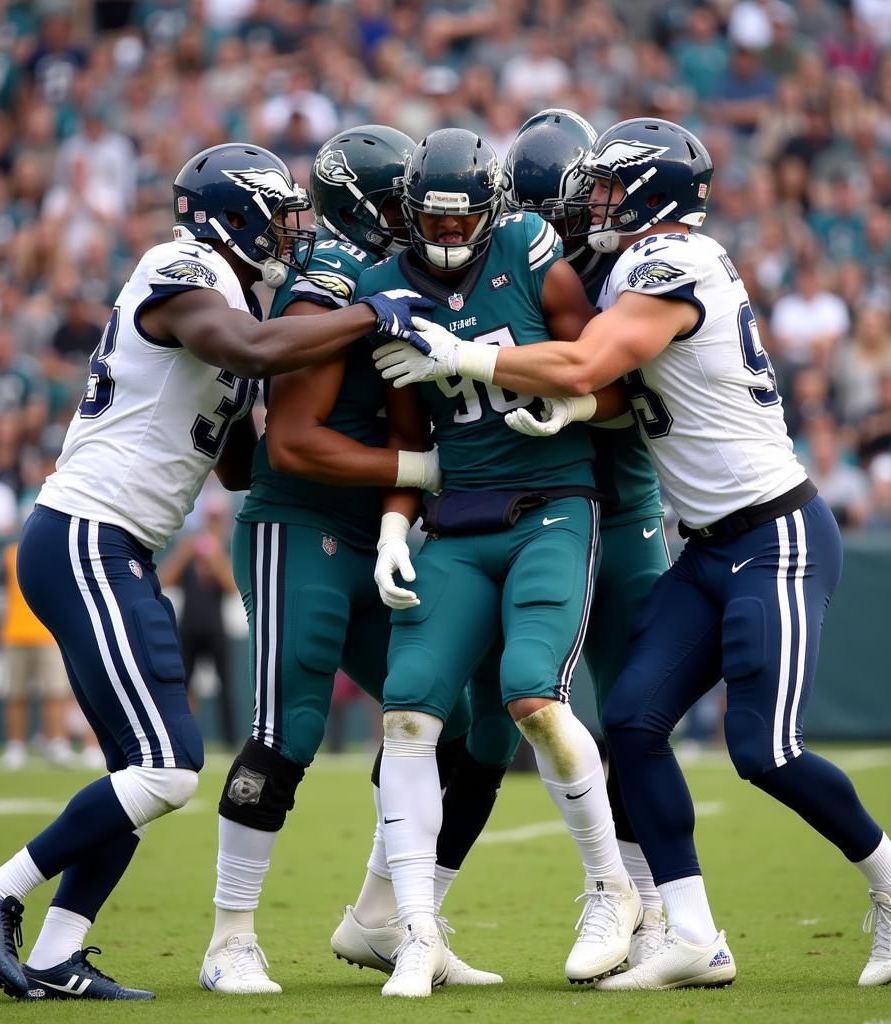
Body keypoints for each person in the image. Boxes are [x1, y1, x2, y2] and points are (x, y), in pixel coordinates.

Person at [375, 117, 891, 990]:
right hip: (710, 548)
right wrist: (573, 407)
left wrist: (461, 354)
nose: (591, 201)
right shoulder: (642, 268)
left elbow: (586, 362)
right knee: (634, 723)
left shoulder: (666, 262)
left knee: (766, 751)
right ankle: (690, 933)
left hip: (776, 535)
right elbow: (606, 390)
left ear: (650, 194)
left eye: (607, 186)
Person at [0, 140, 438, 1002]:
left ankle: (59, 951)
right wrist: (368, 315)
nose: (289, 231)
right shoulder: (181, 266)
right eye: (277, 215)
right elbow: (246, 350)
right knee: (167, 768)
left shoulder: (232, 299)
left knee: (137, 771)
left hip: (112, 543)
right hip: (88, 534)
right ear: (232, 212)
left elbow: (243, 466)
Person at [200, 126, 501, 995]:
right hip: (301, 528)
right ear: (378, 203)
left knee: (453, 712)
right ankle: (230, 938)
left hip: (380, 537)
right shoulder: (334, 280)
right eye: (404, 196)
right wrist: (422, 470)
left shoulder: (405, 276)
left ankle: (381, 917)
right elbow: (287, 444)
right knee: (288, 729)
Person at [358, 127, 642, 999]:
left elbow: (612, 384)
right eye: (431, 224)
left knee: (531, 693)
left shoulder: (529, 250)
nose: (446, 239)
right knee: (408, 714)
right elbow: (410, 438)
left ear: (494, 214)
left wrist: (569, 406)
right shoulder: (382, 286)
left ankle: (610, 887)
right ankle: (414, 930)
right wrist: (394, 525)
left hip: (553, 506)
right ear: (407, 216)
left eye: (461, 223)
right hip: (455, 520)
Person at [500, 107, 669, 963]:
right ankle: (401, 904)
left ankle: (651, 905)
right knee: (497, 715)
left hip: (620, 506)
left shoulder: (629, 269)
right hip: (528, 515)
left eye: (564, 206)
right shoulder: (507, 263)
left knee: (633, 718)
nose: (554, 226)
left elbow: (617, 387)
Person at [0, 538, 76, 770]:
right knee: (16, 694)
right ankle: (16, 747)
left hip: (49, 634)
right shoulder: (11, 552)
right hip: (15, 634)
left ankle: (57, 743)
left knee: (55, 693)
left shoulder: (59, 550)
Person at [157, 490, 239, 744]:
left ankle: (230, 742)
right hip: (189, 629)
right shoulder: (189, 552)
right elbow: (163, 581)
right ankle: (185, 738)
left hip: (215, 631)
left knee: (226, 688)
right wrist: (184, 555)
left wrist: (215, 560)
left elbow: (232, 587)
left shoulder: (225, 553)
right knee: (183, 687)